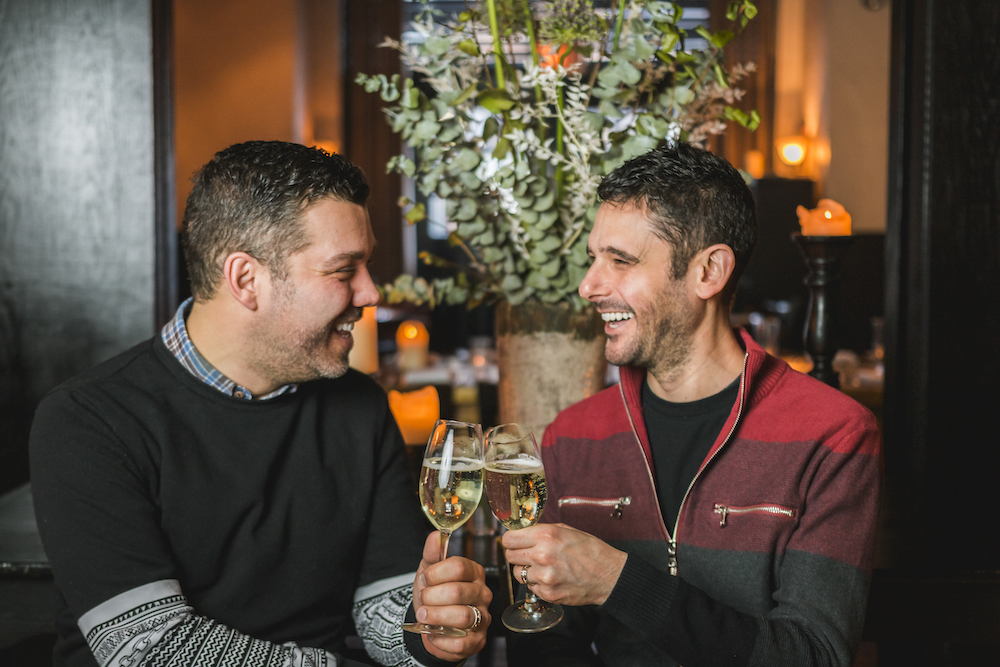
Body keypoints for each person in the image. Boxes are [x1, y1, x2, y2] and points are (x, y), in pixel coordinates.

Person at [30, 141, 491, 667]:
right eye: (344, 271)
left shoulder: (359, 404)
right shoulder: (90, 420)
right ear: (246, 280)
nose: (370, 293)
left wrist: (429, 632)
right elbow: (152, 649)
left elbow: (384, 600)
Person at [502, 143, 881, 666]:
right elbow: (544, 635)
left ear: (709, 272)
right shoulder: (574, 434)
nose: (589, 285)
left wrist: (617, 580)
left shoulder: (833, 434)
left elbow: (812, 656)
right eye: (593, 258)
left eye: (621, 260)